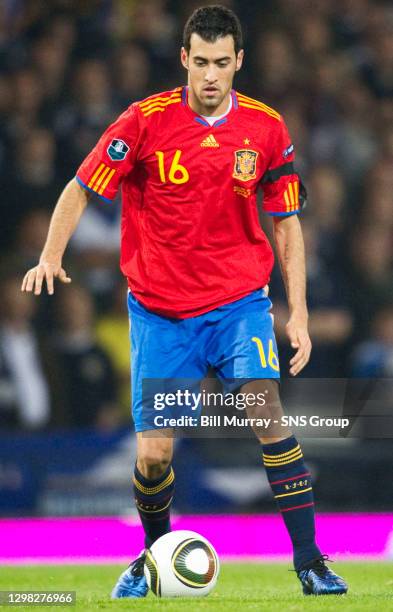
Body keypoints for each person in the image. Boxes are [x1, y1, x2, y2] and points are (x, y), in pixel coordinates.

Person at [21, 5, 347, 598]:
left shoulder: (267, 129)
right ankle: (152, 560)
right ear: (183, 60)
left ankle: (311, 561)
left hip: (238, 303)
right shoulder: (143, 122)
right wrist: (50, 255)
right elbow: (79, 185)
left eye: (222, 63)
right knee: (152, 456)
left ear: (239, 62)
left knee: (265, 414)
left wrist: (295, 310)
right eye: (200, 62)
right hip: (162, 312)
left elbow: (288, 222)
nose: (211, 76)